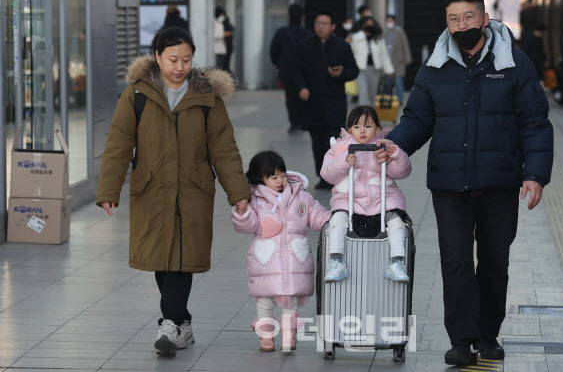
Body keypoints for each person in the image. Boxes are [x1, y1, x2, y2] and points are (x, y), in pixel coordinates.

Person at [378, 0, 554, 366]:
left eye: (469, 17)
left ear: (485, 19)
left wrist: (535, 174)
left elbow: (535, 123)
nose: (462, 26)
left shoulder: (515, 63)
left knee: (494, 263)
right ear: (447, 23)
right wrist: (396, 145)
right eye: (454, 20)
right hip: (450, 185)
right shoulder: (434, 67)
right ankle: (461, 340)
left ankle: (487, 335)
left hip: (499, 182)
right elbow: (417, 120)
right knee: (455, 262)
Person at [96, 27, 251, 358]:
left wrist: (238, 192)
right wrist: (109, 189)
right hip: (151, 188)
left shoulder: (207, 96)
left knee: (182, 258)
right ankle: (183, 322)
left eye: (186, 59)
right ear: (157, 57)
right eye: (172, 59)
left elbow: (223, 148)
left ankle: (168, 323)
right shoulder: (137, 94)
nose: (179, 66)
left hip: (193, 190)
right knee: (161, 259)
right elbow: (119, 142)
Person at [231, 150, 331, 352]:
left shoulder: (300, 197)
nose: (280, 181)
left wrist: (333, 218)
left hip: (294, 260)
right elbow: (247, 225)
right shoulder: (255, 200)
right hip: (266, 261)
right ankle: (266, 337)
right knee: (265, 301)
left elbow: (315, 215)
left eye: (283, 175)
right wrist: (242, 213)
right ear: (260, 179)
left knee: (290, 301)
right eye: (273, 177)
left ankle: (288, 337)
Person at [320, 106, 412, 283]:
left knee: (396, 221)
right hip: (350, 200)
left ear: (377, 129)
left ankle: (397, 262)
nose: (362, 131)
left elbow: (402, 172)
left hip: (382, 199)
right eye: (356, 126)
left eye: (368, 126)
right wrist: (344, 162)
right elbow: (327, 174)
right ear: (349, 130)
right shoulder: (339, 149)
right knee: (338, 220)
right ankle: (336, 261)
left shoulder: (384, 148)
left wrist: (397, 155)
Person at [294, 9, 359, 189]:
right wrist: (301, 87)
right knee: (316, 141)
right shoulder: (304, 45)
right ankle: (322, 176)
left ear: (332, 27)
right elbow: (296, 71)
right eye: (317, 23)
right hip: (312, 102)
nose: (320, 27)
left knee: (331, 140)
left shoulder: (342, 47)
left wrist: (341, 74)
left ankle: (332, 176)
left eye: (324, 24)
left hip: (334, 102)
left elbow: (354, 71)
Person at [269, 4, 313, 134]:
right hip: (305, 71)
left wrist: (276, 63)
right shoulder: (309, 34)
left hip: (286, 69)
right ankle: (303, 121)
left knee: (290, 97)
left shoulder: (281, 32)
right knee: (304, 95)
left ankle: (294, 123)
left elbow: (273, 50)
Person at [350, 17, 394, 107]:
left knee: (372, 94)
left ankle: (370, 115)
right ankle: (363, 116)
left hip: (375, 70)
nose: (369, 25)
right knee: (363, 93)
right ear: (363, 25)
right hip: (360, 69)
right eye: (367, 23)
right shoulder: (356, 37)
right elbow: (351, 53)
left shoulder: (378, 39)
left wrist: (389, 70)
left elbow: (384, 55)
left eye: (371, 23)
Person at [383, 14, 413, 104]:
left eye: (390, 21)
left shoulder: (399, 31)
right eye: (387, 21)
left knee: (398, 82)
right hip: (387, 61)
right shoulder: (384, 32)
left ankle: (399, 100)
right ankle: (388, 99)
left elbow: (405, 45)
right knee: (387, 83)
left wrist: (407, 59)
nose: (389, 23)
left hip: (398, 61)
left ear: (394, 21)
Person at [217, 7, 235, 72]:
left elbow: (229, 32)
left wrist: (222, 34)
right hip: (224, 46)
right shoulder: (224, 21)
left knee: (224, 64)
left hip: (226, 46)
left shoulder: (224, 21)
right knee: (223, 64)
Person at [214, 6, 227, 72]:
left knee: (220, 67)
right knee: (217, 68)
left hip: (220, 49)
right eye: (222, 15)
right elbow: (214, 35)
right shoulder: (214, 23)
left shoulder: (219, 23)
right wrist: (222, 35)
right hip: (216, 50)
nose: (223, 17)